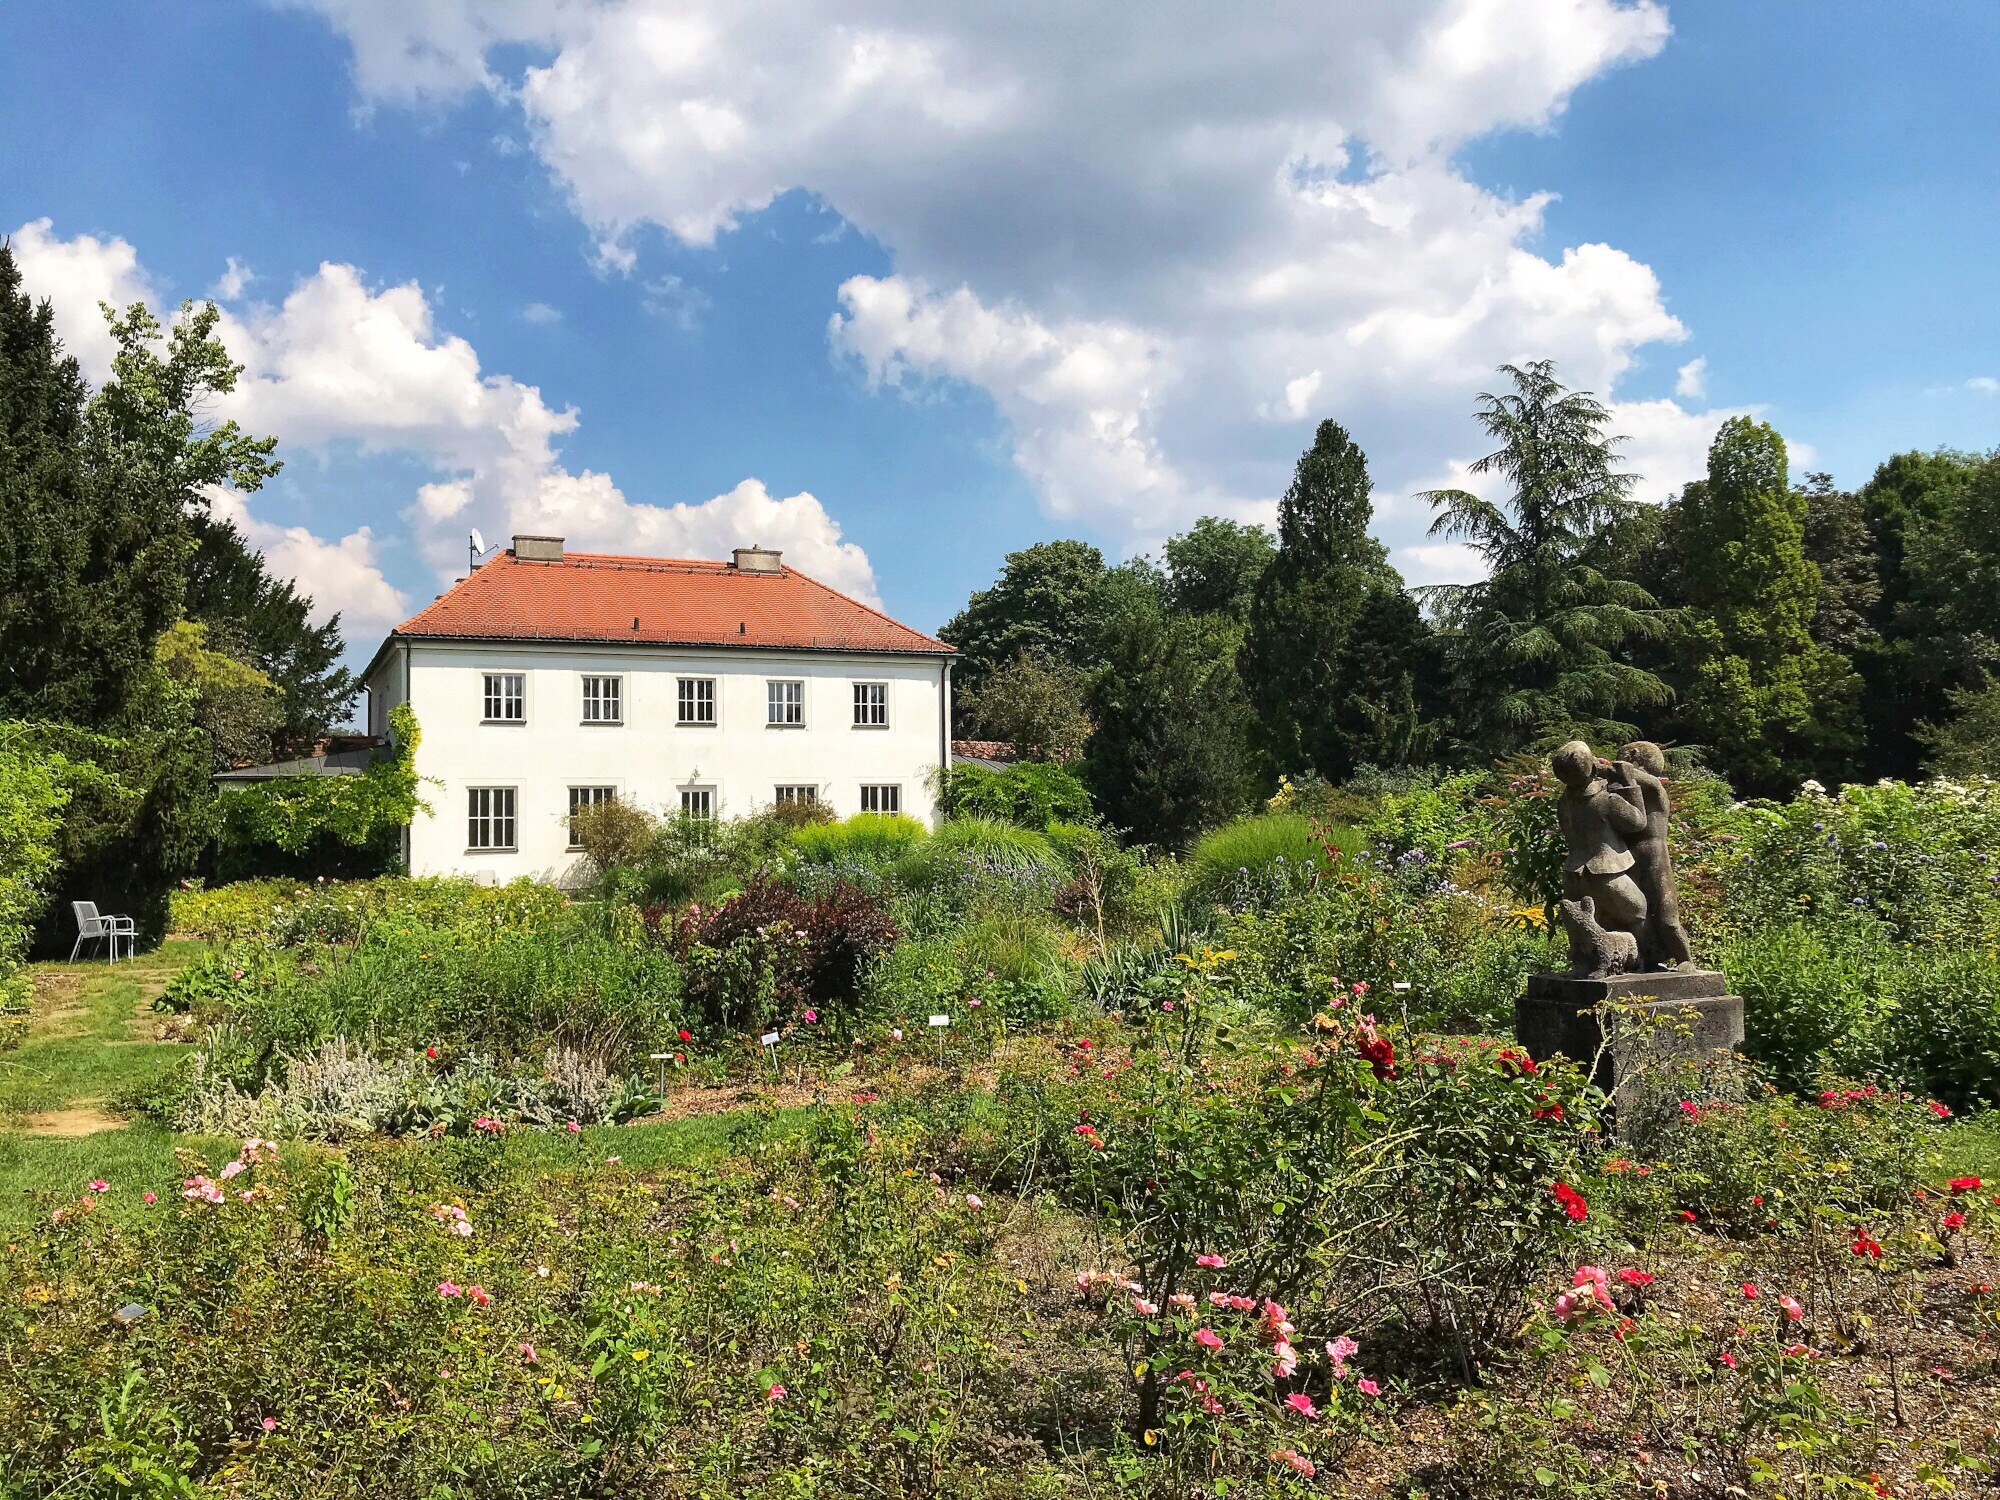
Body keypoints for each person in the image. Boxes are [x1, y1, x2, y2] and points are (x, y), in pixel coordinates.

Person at [1551, 739, 1648, 947]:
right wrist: (1629, 782)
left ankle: (1584, 962)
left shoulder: (1564, 801)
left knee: (1583, 922)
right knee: (1638, 912)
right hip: (1605, 873)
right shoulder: (1607, 800)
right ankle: (1643, 962)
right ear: (1594, 767)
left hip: (1572, 874)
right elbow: (1638, 822)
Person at [1613, 740, 1694, 970]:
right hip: (1631, 857)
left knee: (1666, 915)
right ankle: (1647, 958)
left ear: (1635, 755)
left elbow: (1629, 774)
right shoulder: (1626, 787)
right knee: (1638, 915)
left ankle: (1685, 958)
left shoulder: (1655, 786)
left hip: (1655, 856)